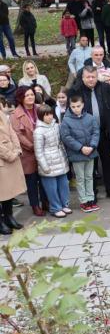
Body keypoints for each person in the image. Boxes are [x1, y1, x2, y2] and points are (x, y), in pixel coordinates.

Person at [69, 65, 110, 200]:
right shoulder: (76, 91)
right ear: (83, 78)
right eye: (88, 77)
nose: (91, 79)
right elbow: (71, 112)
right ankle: (92, 192)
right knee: (90, 166)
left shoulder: (106, 88)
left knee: (108, 162)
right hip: (86, 135)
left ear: (97, 77)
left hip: (106, 132)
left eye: (93, 77)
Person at [60, 94, 101, 212]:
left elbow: (96, 132)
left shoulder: (90, 117)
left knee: (89, 177)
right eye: (73, 107)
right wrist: (81, 148)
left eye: (78, 106)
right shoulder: (66, 120)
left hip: (90, 152)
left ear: (83, 105)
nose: (76, 109)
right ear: (70, 106)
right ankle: (83, 201)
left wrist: (92, 146)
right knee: (80, 178)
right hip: (77, 154)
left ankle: (91, 199)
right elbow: (66, 137)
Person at [33, 105, 70, 218]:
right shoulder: (38, 131)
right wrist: (44, 167)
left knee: (64, 185)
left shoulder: (56, 126)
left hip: (61, 160)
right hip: (48, 163)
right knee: (51, 189)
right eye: (46, 115)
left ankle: (64, 205)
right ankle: (55, 208)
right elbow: (38, 152)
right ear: (41, 116)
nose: (49, 116)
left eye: (50, 114)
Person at [12, 87, 43, 216]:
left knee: (44, 178)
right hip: (28, 152)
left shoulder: (40, 108)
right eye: (27, 95)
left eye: (32, 94)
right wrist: (32, 146)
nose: (30, 97)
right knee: (31, 181)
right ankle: (35, 205)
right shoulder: (15, 114)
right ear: (21, 98)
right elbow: (17, 134)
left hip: (43, 150)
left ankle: (46, 201)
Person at [0, 97, 25, 232]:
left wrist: (17, 149)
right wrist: (10, 154)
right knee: (1, 192)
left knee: (9, 191)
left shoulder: (2, 115)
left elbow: (12, 133)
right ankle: (1, 221)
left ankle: (9, 217)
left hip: (11, 156)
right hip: (3, 158)